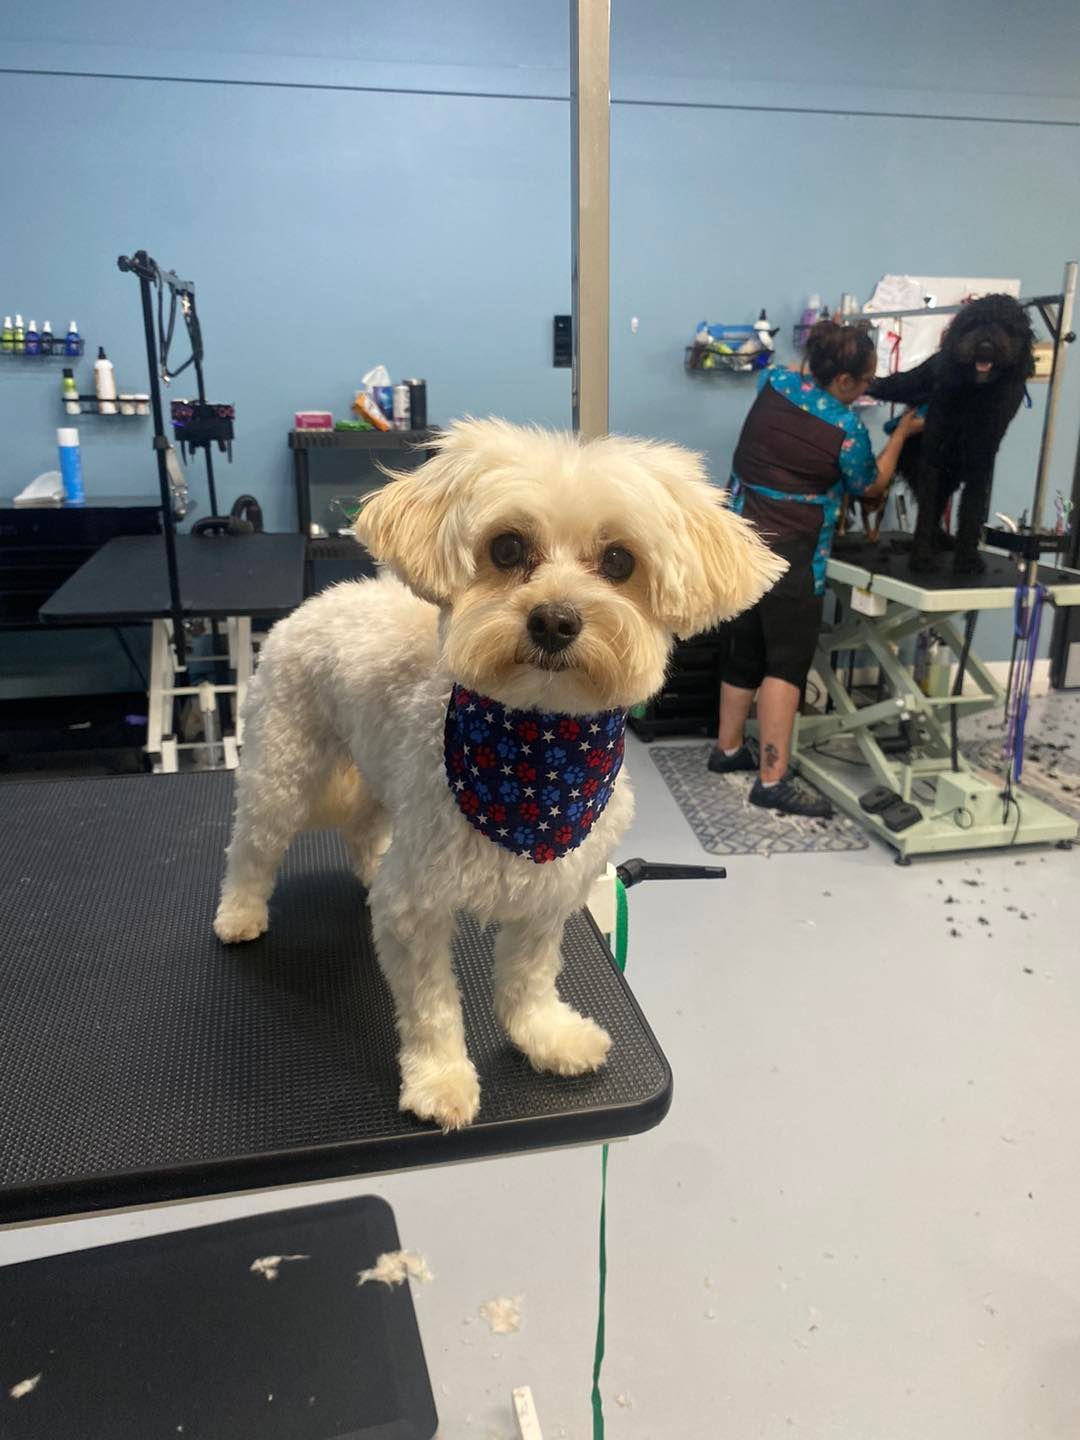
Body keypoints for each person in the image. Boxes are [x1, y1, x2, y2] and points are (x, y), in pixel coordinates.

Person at [709, 321, 924, 817]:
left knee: (744, 651)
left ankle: (727, 750)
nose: (867, 389)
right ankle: (771, 779)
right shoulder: (846, 431)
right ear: (843, 380)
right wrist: (900, 436)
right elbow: (869, 487)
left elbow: (791, 377)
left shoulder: (776, 383)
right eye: (865, 381)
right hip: (794, 558)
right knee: (784, 666)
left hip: (740, 545)